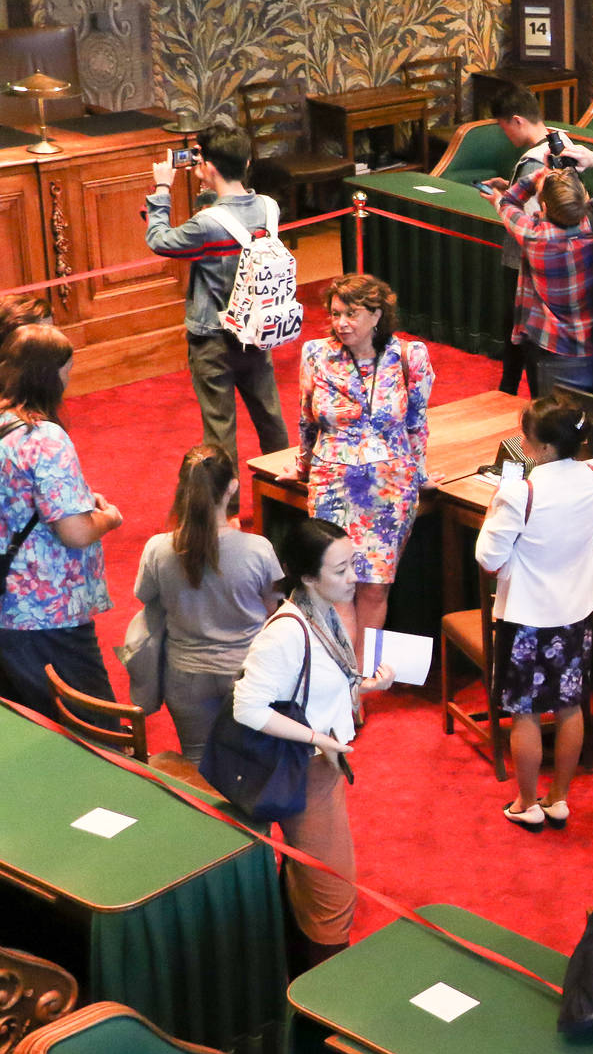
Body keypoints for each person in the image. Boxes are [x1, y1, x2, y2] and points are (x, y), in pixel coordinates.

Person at [232, 518, 396, 967]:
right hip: (303, 772)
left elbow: (322, 684)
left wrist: (365, 687)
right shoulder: (287, 631)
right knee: (333, 895)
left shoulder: (324, 611)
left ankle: (295, 966)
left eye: (352, 565)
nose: (353, 579)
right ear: (306, 577)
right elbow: (246, 707)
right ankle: (322, 999)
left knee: (312, 881)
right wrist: (315, 737)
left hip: (321, 766)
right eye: (341, 570)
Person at [475, 395, 593, 830]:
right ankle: (558, 799)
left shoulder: (520, 492)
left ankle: (525, 802)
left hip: (528, 617)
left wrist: (494, 509)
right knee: (571, 704)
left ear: (544, 447)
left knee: (526, 712)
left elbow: (487, 557)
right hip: (577, 608)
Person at [295, 274, 434, 645]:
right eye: (336, 314)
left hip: (390, 487)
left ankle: (362, 680)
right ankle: (343, 682)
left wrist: (419, 474)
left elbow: (417, 424)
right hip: (330, 483)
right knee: (336, 587)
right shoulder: (316, 354)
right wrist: (302, 466)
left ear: (377, 315)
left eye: (352, 314)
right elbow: (308, 420)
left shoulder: (409, 356)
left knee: (374, 587)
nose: (341, 323)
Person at [142, 129, 291, 462]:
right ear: (248, 161)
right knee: (270, 418)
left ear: (207, 166)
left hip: (212, 338)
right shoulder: (270, 207)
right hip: (256, 328)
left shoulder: (206, 224)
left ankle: (230, 511)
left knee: (220, 429)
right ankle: (286, 494)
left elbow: (159, 240)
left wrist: (163, 188)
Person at [0, 326, 122, 718]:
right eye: (67, 370)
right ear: (48, 375)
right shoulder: (43, 437)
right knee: (95, 731)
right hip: (46, 612)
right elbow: (74, 530)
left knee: (27, 723)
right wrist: (106, 519)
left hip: (6, 607)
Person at [133, 446, 282, 762]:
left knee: (196, 761)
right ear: (232, 486)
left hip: (185, 675)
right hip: (245, 672)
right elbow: (274, 608)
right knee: (252, 762)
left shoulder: (158, 549)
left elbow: (145, 597)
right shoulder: (258, 549)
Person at [484, 141, 593, 399]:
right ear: (584, 198)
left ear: (543, 207)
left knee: (560, 432)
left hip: (557, 350)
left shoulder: (533, 235)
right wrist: (592, 159)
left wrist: (540, 176)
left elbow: (508, 200)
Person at [490, 86, 578, 395]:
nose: (506, 136)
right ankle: (509, 391)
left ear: (516, 120)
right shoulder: (562, 142)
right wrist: (512, 186)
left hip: (524, 265)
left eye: (504, 128)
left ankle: (514, 395)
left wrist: (501, 201)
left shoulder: (531, 162)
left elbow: (527, 225)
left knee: (520, 334)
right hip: (558, 258)